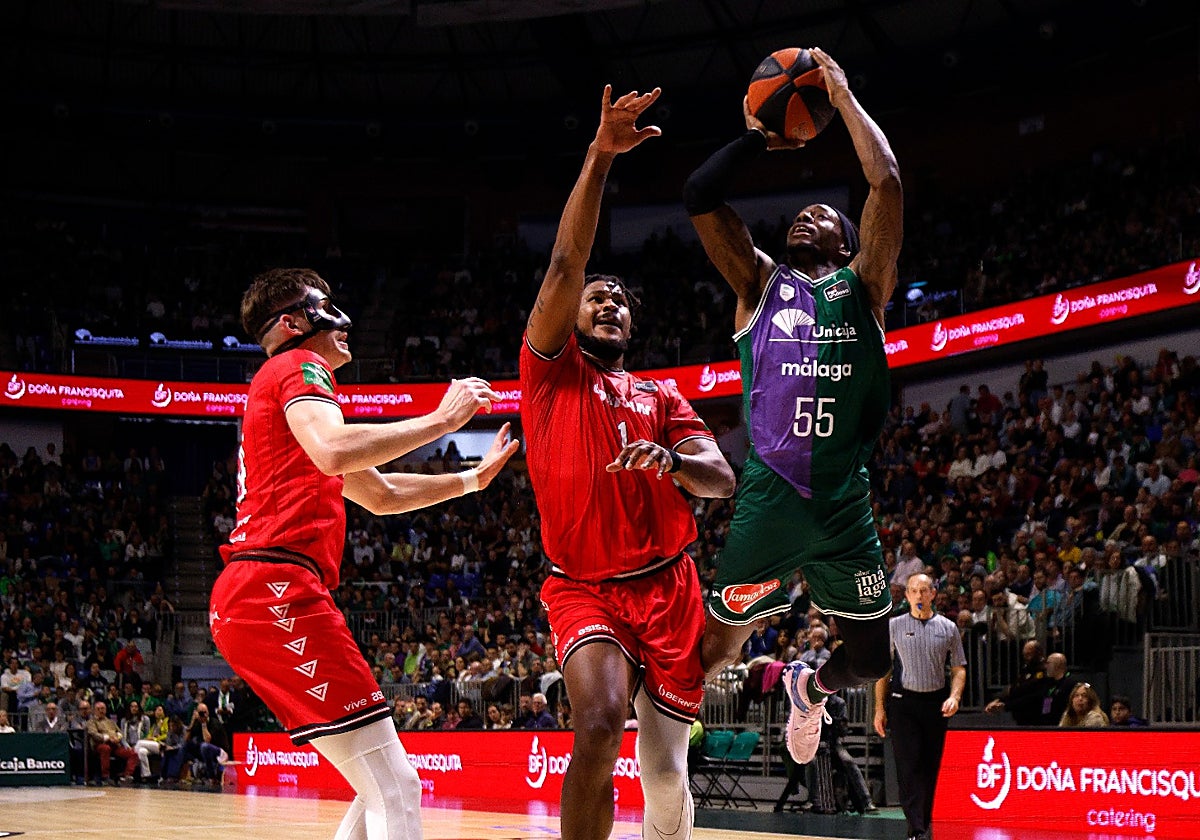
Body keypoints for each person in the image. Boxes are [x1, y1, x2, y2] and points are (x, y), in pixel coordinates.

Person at [209, 267, 519, 839]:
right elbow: (333, 450)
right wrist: (442, 420)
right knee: (397, 786)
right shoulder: (298, 368)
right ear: (294, 321)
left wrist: (471, 481)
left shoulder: (285, 392)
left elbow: (380, 493)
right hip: (274, 589)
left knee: (379, 785)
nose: (345, 321)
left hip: (263, 593)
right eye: (326, 306)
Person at [520, 86, 736, 840]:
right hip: (584, 588)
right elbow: (564, 262)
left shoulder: (662, 395)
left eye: (621, 301)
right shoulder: (549, 373)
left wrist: (672, 458)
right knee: (600, 722)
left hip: (670, 583)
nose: (608, 303)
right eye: (597, 297)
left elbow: (720, 479)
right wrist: (599, 156)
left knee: (666, 770)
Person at [685, 46, 902, 765]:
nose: (807, 218)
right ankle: (663, 752)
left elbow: (888, 182)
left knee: (871, 661)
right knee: (709, 653)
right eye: (799, 215)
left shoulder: (863, 288)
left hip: (843, 505)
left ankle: (808, 688)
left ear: (845, 241)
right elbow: (700, 196)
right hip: (769, 504)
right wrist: (757, 135)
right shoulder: (757, 283)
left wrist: (838, 95)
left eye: (822, 214)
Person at [873, 574, 966, 840]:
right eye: (913, 591)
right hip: (903, 704)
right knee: (908, 764)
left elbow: (959, 668)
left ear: (933, 594)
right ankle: (916, 827)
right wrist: (879, 709)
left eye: (923, 591)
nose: (918, 596)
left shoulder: (948, 627)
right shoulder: (894, 626)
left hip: (936, 703)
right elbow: (884, 671)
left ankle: (924, 823)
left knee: (930, 765)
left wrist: (955, 697)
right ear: (907, 595)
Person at [85, 700, 139, 784]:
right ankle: (105, 776)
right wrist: (108, 738)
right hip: (100, 745)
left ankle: (127, 775)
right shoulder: (91, 722)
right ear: (94, 711)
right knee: (106, 749)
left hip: (115, 744)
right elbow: (94, 734)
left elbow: (120, 732)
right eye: (98, 709)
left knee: (133, 753)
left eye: (102, 708)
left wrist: (118, 737)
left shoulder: (110, 722)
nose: (101, 711)